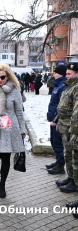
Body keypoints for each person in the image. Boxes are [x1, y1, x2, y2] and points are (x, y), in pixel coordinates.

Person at [0, 64, 27, 198]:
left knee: (5, 158)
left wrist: (22, 129)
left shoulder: (14, 91)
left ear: (8, 76)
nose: (0, 80)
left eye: (2, 77)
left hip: (9, 129)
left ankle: (2, 184)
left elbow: (19, 112)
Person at [55, 63, 78, 196]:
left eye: (69, 74)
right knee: (68, 156)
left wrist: (73, 131)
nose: (66, 76)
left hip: (71, 130)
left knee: (72, 158)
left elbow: (75, 113)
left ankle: (74, 182)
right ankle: (71, 178)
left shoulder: (76, 88)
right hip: (65, 128)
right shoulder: (69, 86)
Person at [46, 65, 67, 175]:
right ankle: (58, 162)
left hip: (58, 121)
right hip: (54, 120)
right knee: (54, 141)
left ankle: (60, 166)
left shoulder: (63, 86)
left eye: (56, 73)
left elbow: (60, 106)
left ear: (62, 74)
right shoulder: (58, 85)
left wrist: (54, 119)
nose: (54, 75)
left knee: (58, 143)